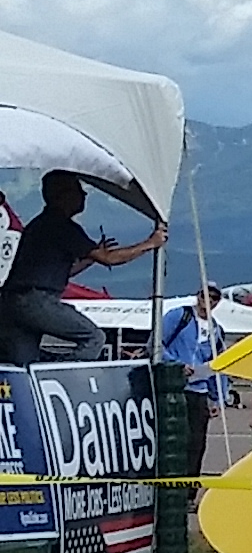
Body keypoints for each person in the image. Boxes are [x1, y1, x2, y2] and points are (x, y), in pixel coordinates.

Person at [0, 170, 164, 365]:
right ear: (64, 195)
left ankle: (43, 369)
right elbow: (109, 258)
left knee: (23, 363)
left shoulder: (40, 225)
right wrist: (150, 243)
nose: (84, 195)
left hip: (12, 301)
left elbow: (59, 272)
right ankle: (56, 371)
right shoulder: (62, 226)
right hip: (36, 300)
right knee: (94, 338)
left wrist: (90, 258)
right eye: (79, 190)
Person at [155, 285, 229, 478]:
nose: (209, 300)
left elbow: (217, 364)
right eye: (205, 295)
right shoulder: (179, 316)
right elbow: (155, 344)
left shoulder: (217, 331)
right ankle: (167, 482)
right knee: (172, 439)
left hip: (199, 391)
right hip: (174, 388)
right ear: (197, 296)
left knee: (196, 442)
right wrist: (176, 364)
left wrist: (217, 397)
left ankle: (189, 489)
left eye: (214, 297)